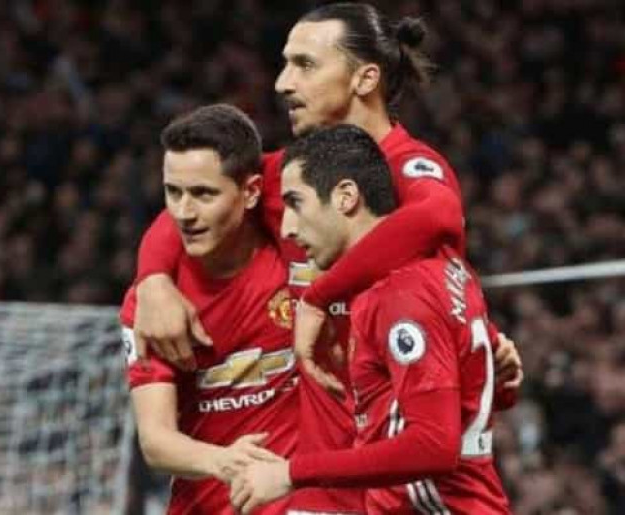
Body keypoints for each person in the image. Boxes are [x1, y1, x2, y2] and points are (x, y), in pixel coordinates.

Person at [132, 3, 522, 513]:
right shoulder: (296, 175)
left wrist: (320, 296)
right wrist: (154, 281)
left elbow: (439, 217)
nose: (282, 83)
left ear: (365, 79)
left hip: (399, 480)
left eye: (305, 65)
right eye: (285, 64)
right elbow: (206, 193)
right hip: (320, 482)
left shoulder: (410, 169)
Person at [231, 124, 512, 514]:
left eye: (296, 203)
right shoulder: (445, 269)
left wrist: (291, 473)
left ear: (346, 197)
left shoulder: (400, 294)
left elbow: (434, 444)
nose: (287, 228)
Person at [120, 104, 297, 514]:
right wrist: (222, 461)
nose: (184, 213)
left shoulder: (294, 257)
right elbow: (156, 441)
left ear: (251, 192)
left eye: (203, 194)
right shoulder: (151, 305)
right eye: (173, 192)